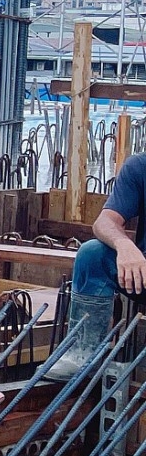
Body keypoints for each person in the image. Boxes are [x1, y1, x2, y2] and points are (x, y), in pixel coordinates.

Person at [51, 153, 146, 376]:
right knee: (92, 254)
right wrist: (124, 245)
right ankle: (83, 353)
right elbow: (105, 222)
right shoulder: (140, 166)